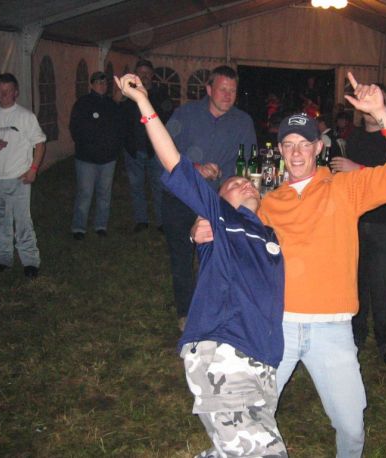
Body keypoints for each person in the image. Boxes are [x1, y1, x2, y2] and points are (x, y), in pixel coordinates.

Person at [193, 73, 386, 457]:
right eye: (288, 144)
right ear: (280, 150)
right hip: (277, 327)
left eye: (304, 144)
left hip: (332, 328)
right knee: (249, 418)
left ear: (318, 147)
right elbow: (230, 227)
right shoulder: (269, 201)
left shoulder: (345, 188)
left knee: (351, 426)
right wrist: (200, 228)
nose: (296, 153)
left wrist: (382, 114)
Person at [115, 73, 287, 458]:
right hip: (223, 350)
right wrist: (143, 102)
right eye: (233, 185)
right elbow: (172, 160)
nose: (244, 184)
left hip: (263, 358)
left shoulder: (271, 234)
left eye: (248, 183)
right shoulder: (219, 218)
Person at [163, 65, 257, 330]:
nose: (228, 95)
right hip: (180, 196)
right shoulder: (186, 115)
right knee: (182, 256)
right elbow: (164, 154)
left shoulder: (243, 122)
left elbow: (247, 162)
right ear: (208, 89)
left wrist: (227, 179)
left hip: (218, 200)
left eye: (233, 91)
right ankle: (186, 312)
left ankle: (216, 310)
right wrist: (194, 168)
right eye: (222, 89)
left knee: (218, 257)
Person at [330, 87, 386, 365]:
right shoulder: (354, 138)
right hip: (357, 220)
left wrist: (357, 169)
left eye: (379, 102)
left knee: (383, 282)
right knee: (356, 281)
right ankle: (356, 335)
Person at [0, 73, 46, 278]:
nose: (3, 95)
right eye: (0, 91)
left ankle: (30, 261)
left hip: (19, 177)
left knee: (22, 221)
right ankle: (3, 259)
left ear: (15, 93)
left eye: (7, 91)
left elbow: (39, 144)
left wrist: (33, 170)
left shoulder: (25, 117)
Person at [69, 71, 123, 239]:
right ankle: (79, 227)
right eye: (99, 82)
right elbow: (75, 128)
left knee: (104, 193)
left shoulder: (111, 103)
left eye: (104, 83)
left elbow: (118, 127)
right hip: (87, 158)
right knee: (85, 193)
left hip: (108, 158)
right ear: (91, 84)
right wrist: (86, 146)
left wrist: (114, 148)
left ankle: (101, 225)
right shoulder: (83, 103)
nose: (102, 85)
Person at [122, 59, 172, 233]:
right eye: (140, 73)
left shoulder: (160, 95)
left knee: (158, 186)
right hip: (133, 149)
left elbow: (168, 119)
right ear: (135, 74)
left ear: (152, 75)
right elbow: (119, 117)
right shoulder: (128, 95)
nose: (144, 76)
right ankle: (141, 220)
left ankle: (161, 222)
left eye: (147, 73)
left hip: (155, 150)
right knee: (136, 186)